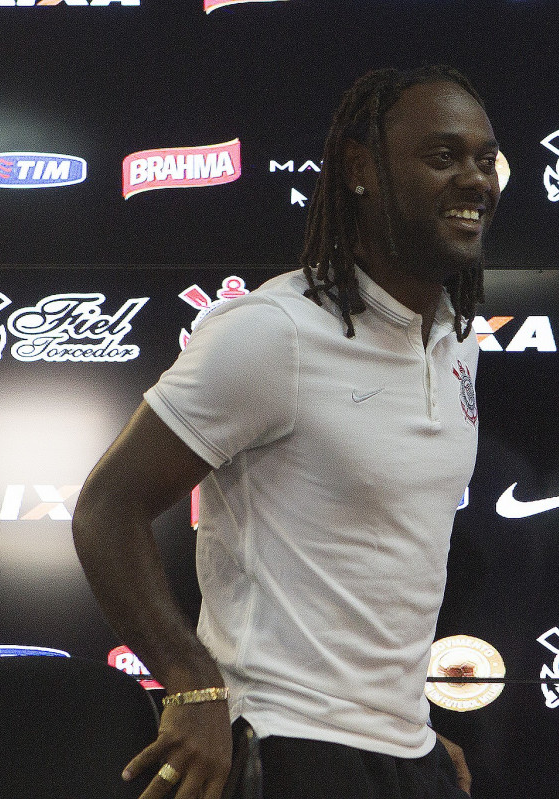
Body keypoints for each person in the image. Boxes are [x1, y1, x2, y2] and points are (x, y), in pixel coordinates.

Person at [72, 65, 500, 799]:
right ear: (361, 170)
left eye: (484, 158)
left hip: (406, 750)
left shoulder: (457, 340)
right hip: (287, 752)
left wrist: (411, 738)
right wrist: (193, 685)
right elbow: (107, 507)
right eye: (441, 157)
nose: (475, 180)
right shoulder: (273, 333)